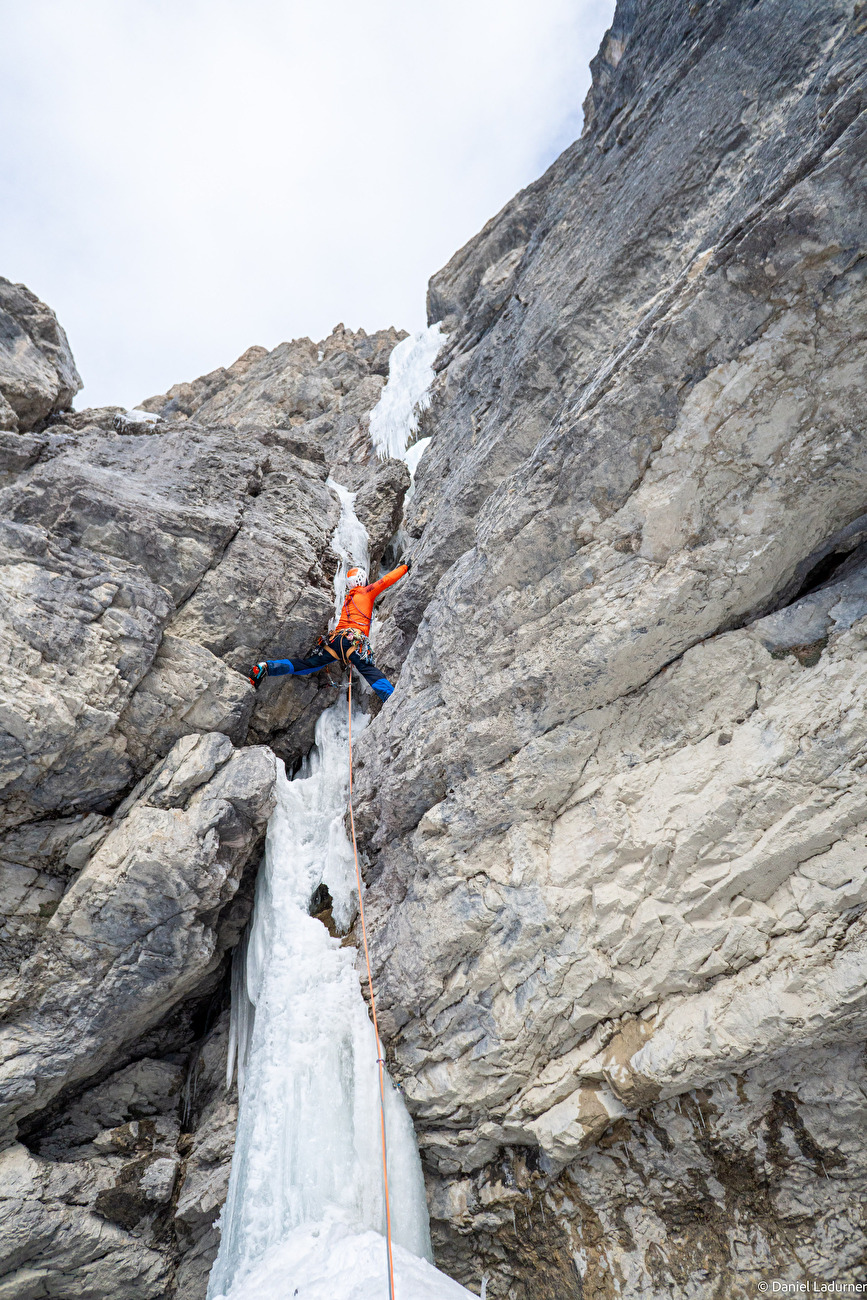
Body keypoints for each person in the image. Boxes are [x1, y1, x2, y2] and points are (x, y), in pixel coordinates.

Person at [248, 560, 410, 701]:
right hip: (353, 640)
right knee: (368, 670)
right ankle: (390, 698)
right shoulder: (365, 592)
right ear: (362, 580)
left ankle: (267, 667)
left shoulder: (348, 599)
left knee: (308, 665)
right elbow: (386, 580)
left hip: (335, 641)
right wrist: (405, 567)